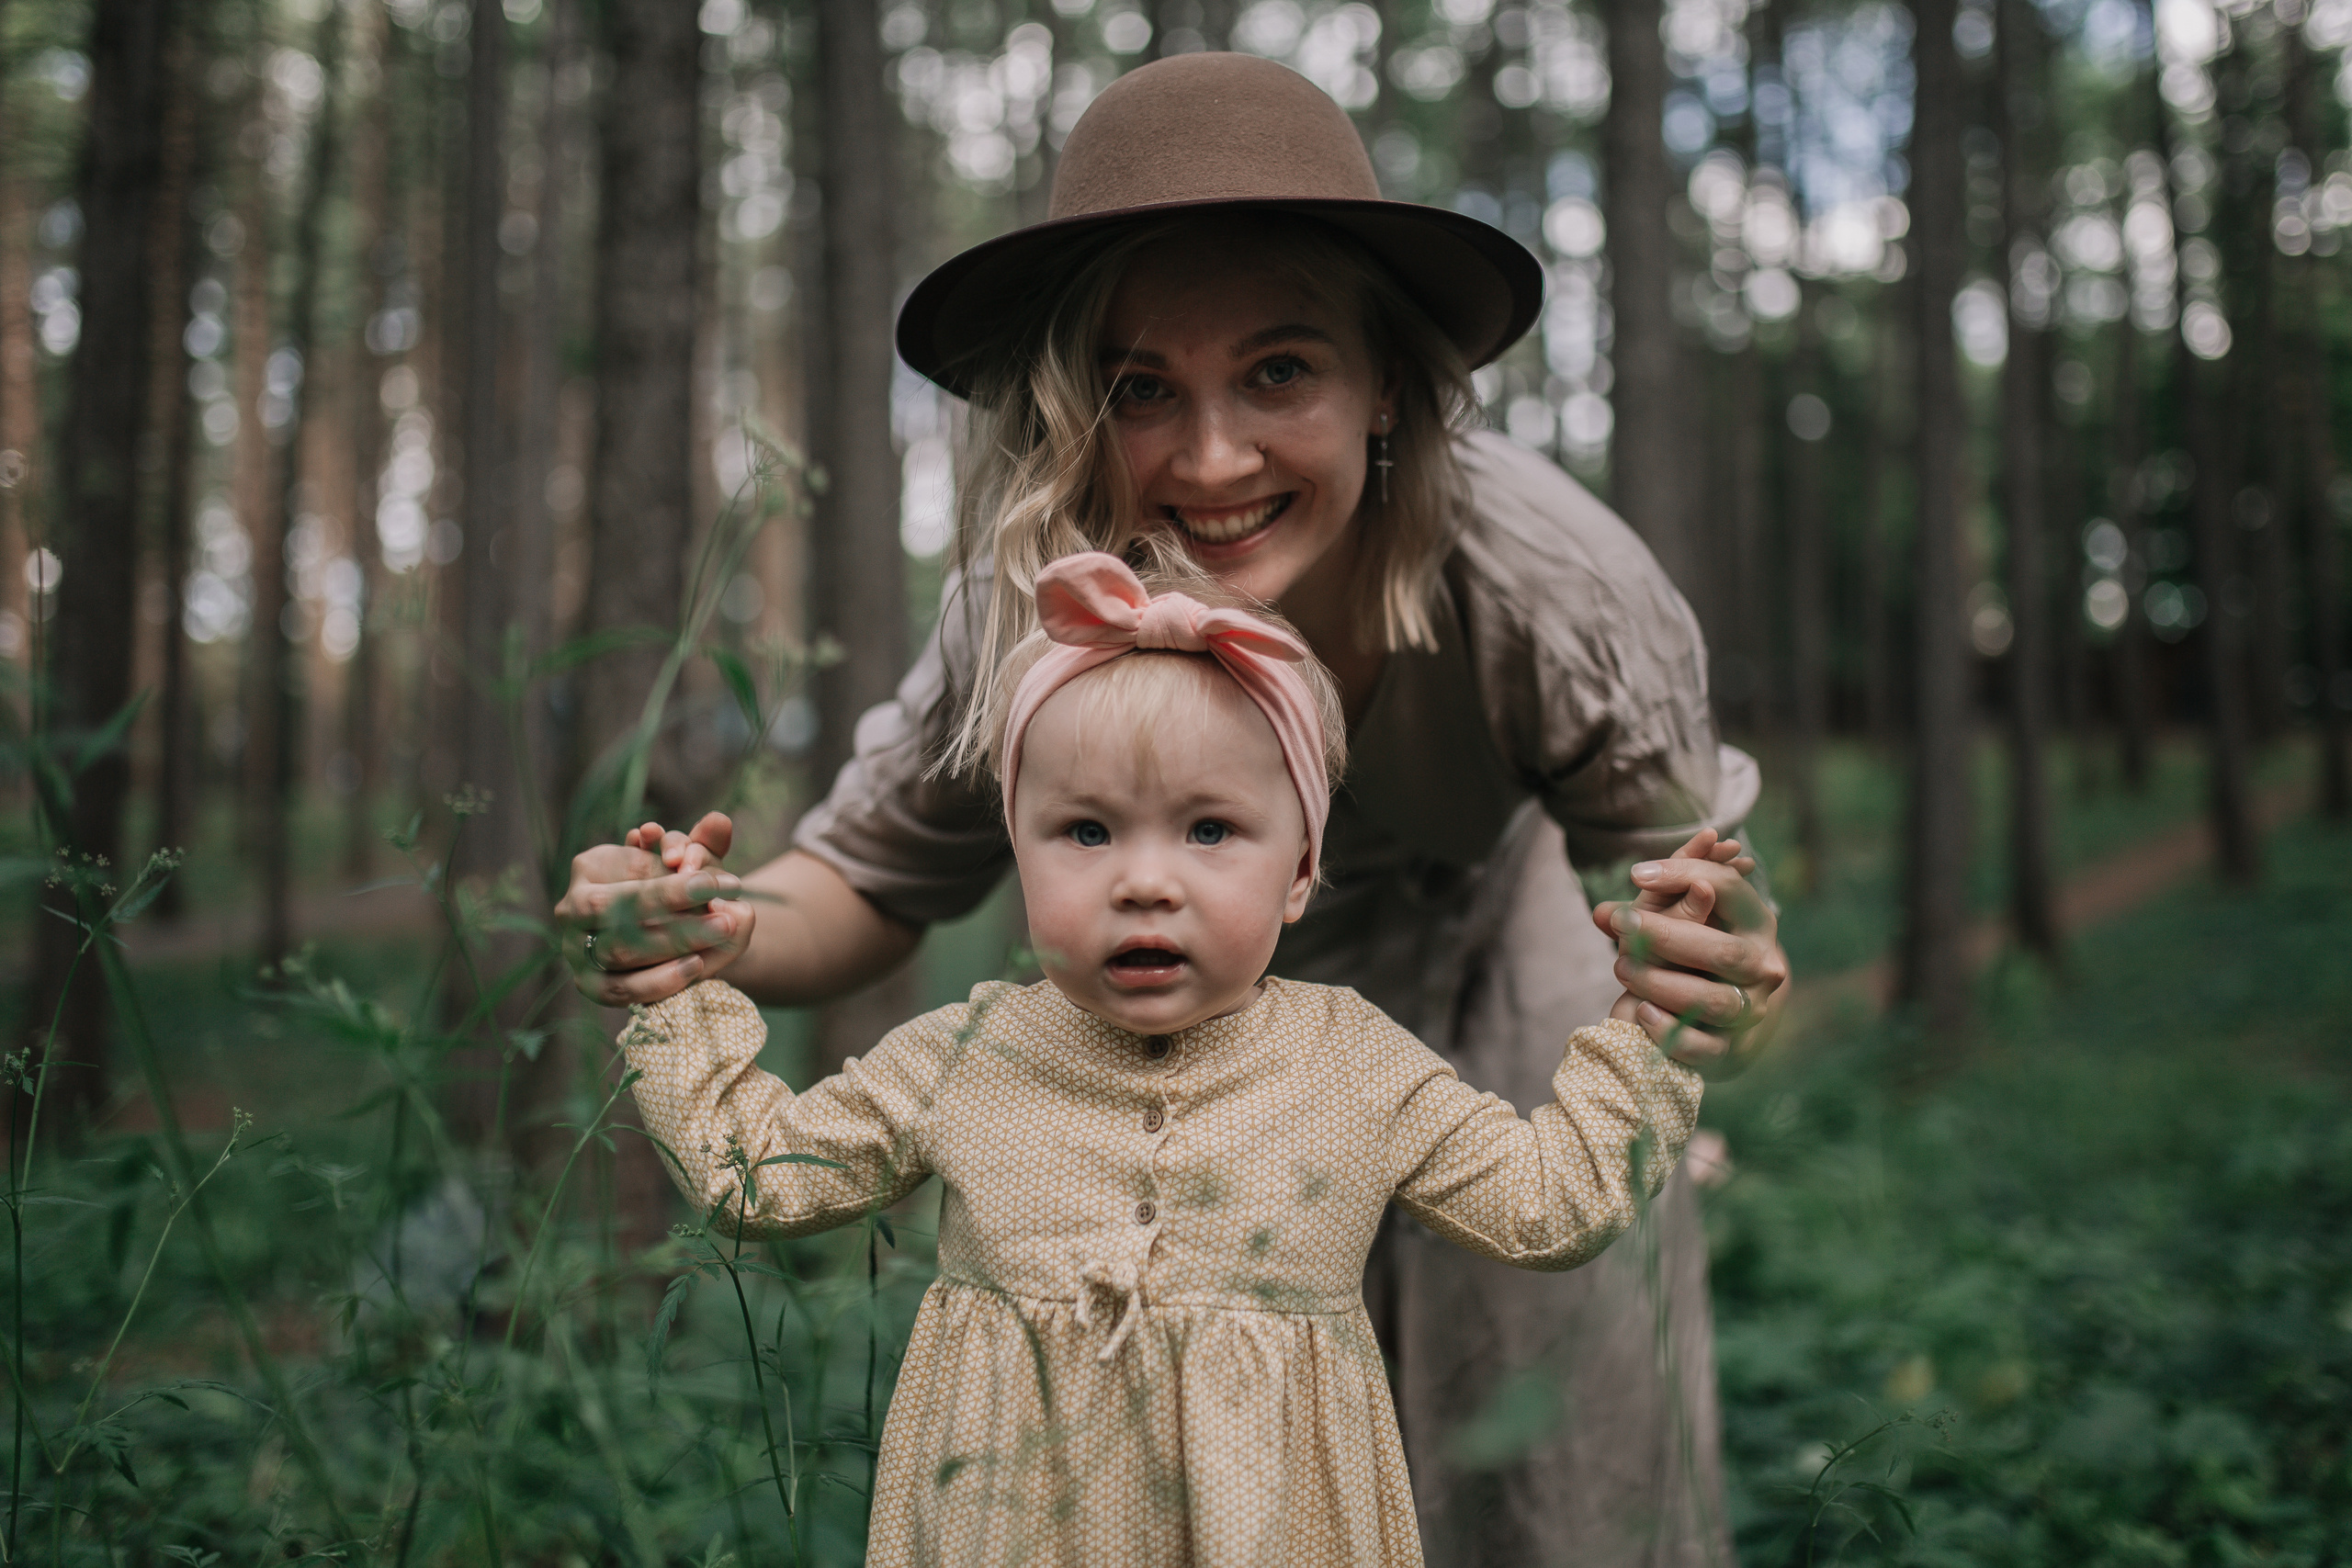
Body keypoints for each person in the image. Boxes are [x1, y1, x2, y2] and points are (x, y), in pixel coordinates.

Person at [560, 51, 1790, 1565]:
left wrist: (1714, 979)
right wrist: (703, 927)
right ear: (1078, 405)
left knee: (1549, 1400)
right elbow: (863, 884)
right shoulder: (1037, 614)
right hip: (1142, 995)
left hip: (1507, 922)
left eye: (1280, 371)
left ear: (1385, 379)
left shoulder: (1551, 588)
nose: (1212, 459)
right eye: (1144, 388)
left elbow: (1699, 923)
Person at [620, 554, 1713, 1566]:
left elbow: (1547, 1206)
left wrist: (1654, 1025)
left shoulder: (1353, 1065)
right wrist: (672, 984)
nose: (1145, 882)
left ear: (1299, 871)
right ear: (1019, 853)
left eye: (1209, 830)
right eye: (1087, 832)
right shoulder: (965, 1057)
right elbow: (753, 1176)